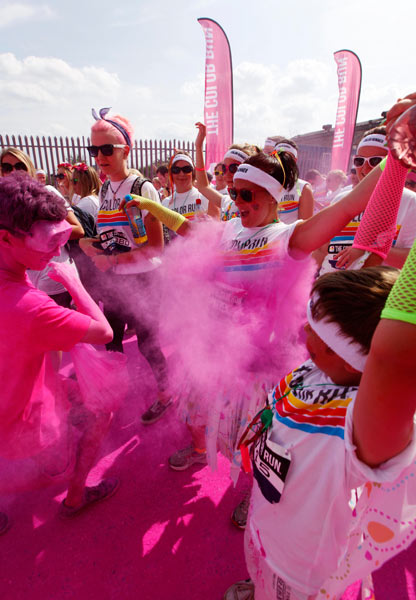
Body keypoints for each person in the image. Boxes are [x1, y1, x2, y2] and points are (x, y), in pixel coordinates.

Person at [122, 130, 389, 479]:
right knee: (192, 410)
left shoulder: (290, 237)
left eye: (247, 194)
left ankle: (253, 488)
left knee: (255, 434)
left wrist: (395, 155)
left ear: (275, 197)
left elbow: (350, 204)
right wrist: (152, 206)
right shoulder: (230, 228)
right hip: (217, 346)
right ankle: (200, 451)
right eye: (234, 192)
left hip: (259, 359)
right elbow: (189, 228)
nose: (238, 201)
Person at [223, 263, 416, 600]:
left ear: (348, 357)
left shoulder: (364, 421)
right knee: (260, 579)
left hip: (299, 569)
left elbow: (391, 355)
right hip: (264, 525)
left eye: (315, 330)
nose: (303, 330)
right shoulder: (320, 367)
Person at [0, 173, 117, 534]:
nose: (56, 249)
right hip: (23, 437)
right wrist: (74, 283)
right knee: (103, 408)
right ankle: (76, 495)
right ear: (5, 237)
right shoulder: (30, 305)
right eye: (50, 240)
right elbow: (105, 332)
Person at [79, 108, 171, 425]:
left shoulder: (142, 188)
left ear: (125, 150)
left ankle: (166, 394)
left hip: (144, 280)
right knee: (110, 340)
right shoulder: (104, 189)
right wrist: (92, 244)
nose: (100, 157)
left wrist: (111, 259)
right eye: (94, 150)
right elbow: (116, 237)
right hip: (116, 281)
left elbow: (155, 248)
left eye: (107, 149)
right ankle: (110, 398)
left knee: (147, 344)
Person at [316, 126, 416, 274]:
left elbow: (412, 260)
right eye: (359, 161)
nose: (365, 168)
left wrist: (368, 248)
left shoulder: (411, 202)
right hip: (326, 290)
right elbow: (322, 250)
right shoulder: (341, 198)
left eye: (375, 161)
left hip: (373, 294)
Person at [0, 147, 83, 307]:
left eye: (20, 166)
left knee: (55, 326)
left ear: (29, 168)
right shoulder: (2, 201)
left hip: (51, 272)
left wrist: (43, 234)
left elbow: (78, 229)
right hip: (21, 276)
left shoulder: (47, 192)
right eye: (7, 167)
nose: (13, 171)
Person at [273, 139, 315, 222]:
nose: (282, 160)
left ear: (295, 161)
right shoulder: (263, 184)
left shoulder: (303, 188)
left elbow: (304, 227)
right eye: (278, 156)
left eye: (287, 157)